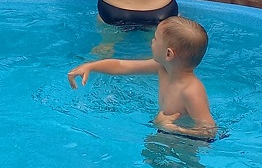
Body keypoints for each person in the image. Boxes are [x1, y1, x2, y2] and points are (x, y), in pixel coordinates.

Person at [68, 17, 216, 140]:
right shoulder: (162, 68)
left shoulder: (191, 91)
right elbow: (122, 66)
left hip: (186, 143)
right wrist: (90, 66)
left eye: (156, 38)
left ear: (168, 54)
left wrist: (171, 128)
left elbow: (209, 131)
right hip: (166, 132)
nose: (152, 41)